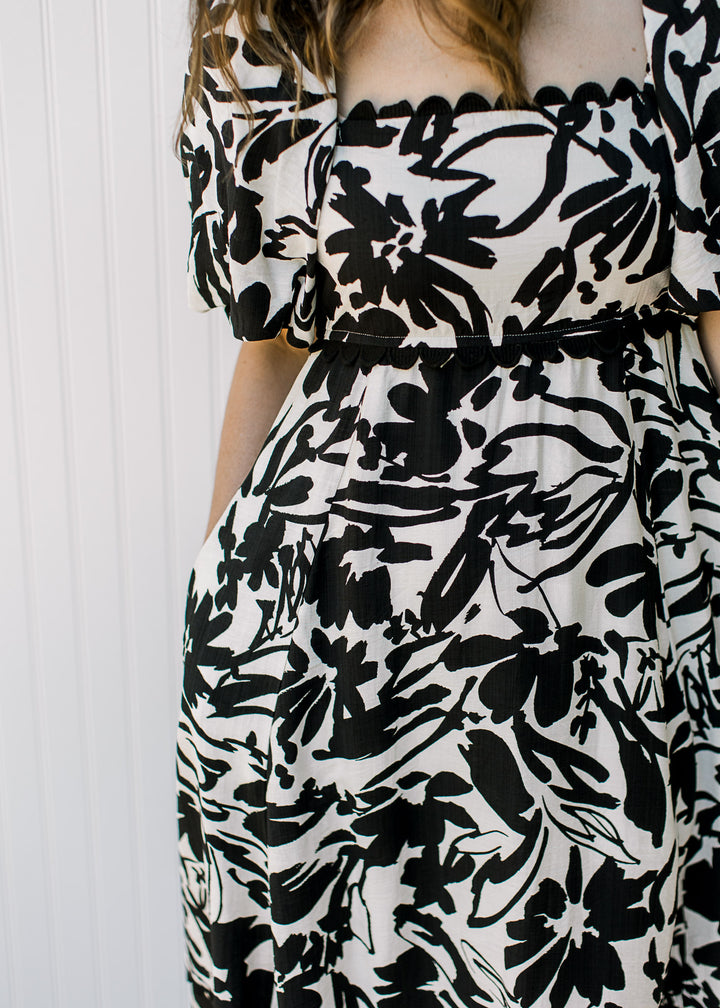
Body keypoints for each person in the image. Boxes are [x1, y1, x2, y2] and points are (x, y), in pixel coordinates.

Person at [174, 0, 720, 1004]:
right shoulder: (281, 29)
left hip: (620, 620)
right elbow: (272, 351)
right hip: (347, 647)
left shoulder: (677, 20)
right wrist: (217, 608)